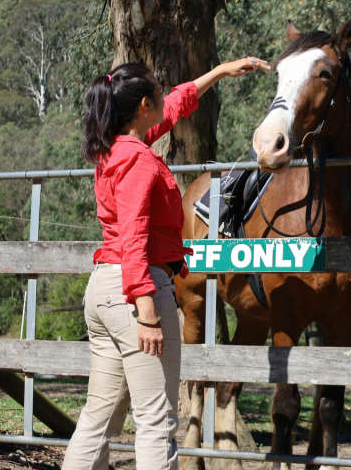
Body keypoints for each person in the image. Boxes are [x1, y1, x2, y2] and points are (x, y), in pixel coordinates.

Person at [63, 57, 270, 470]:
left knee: (97, 417)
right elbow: (133, 237)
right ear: (143, 106)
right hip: (135, 291)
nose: (163, 97)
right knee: (157, 419)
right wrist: (147, 312)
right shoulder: (139, 161)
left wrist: (219, 72)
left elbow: (174, 106)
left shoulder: (115, 148)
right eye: (158, 92)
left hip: (104, 291)